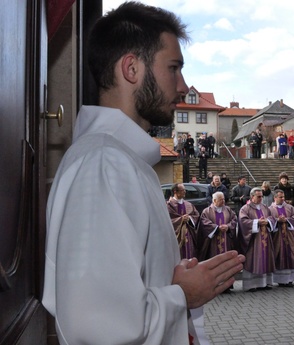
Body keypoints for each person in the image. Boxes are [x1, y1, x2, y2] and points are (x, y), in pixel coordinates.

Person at [42, 3, 245, 344]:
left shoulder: (121, 160)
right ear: (132, 68)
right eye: (173, 68)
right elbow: (96, 325)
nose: (182, 86)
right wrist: (183, 294)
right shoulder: (103, 165)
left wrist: (172, 282)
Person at [237, 188, 276, 291]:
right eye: (259, 196)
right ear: (252, 196)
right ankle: (251, 285)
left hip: (265, 238)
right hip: (253, 240)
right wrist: (257, 222)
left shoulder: (265, 208)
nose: (261, 198)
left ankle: (265, 283)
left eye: (262, 196)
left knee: (266, 258)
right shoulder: (245, 208)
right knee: (252, 260)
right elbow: (243, 221)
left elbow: (272, 218)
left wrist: (267, 221)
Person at [198, 192, 237, 283]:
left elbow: (234, 219)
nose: (223, 201)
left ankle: (227, 284)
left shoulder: (228, 210)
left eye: (223, 199)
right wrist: (216, 228)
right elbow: (204, 222)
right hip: (213, 243)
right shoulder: (207, 211)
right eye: (221, 199)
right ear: (214, 200)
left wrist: (228, 226)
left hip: (226, 240)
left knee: (226, 262)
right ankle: (214, 283)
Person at [269, 190, 294, 287]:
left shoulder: (290, 207)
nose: (283, 199)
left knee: (290, 254)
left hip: (289, 236)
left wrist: (287, 220)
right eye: (280, 197)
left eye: (283, 197)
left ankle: (290, 279)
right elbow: (268, 219)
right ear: (275, 198)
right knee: (278, 255)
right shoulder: (270, 209)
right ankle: (280, 280)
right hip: (277, 237)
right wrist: (277, 220)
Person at [168, 183, 200, 260]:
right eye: (183, 190)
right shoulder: (169, 205)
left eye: (185, 190)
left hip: (188, 234)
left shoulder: (188, 205)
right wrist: (181, 219)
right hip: (175, 236)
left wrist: (189, 218)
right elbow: (166, 221)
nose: (185, 192)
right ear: (175, 191)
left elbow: (196, 215)